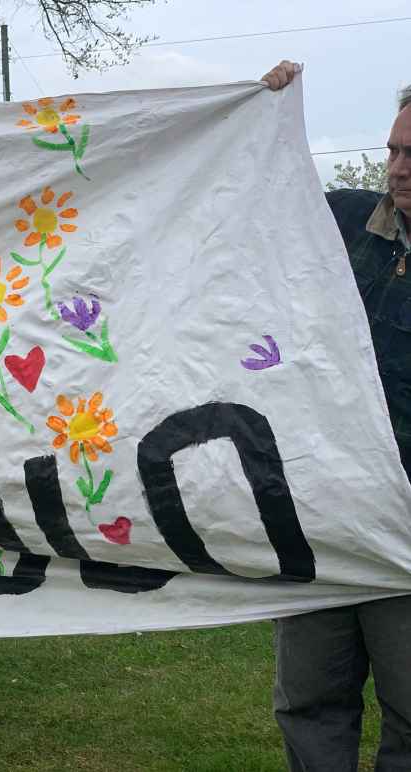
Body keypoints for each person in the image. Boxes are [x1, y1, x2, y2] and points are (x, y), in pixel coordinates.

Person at [262, 61, 411, 770]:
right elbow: (252, 200)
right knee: (309, 701)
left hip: (405, 532)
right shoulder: (347, 221)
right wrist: (253, 115)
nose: (398, 168)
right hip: (320, 519)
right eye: (393, 150)